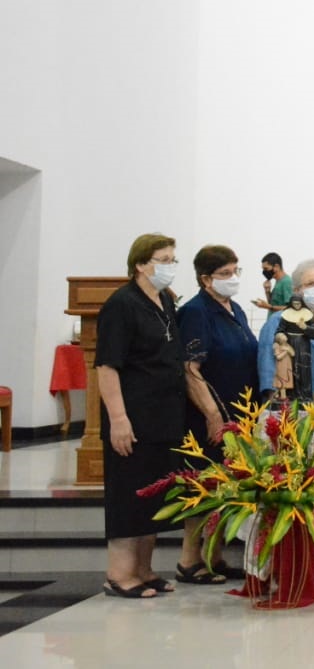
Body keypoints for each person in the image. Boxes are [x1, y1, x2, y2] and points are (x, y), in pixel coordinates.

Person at [95, 233, 186, 598]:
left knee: (154, 495)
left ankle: (144, 570)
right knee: (129, 494)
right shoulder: (122, 304)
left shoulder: (163, 299)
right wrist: (118, 418)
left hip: (163, 418)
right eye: (164, 259)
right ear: (141, 264)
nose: (170, 266)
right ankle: (119, 574)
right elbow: (107, 366)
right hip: (132, 417)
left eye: (172, 259)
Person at [176, 244, 260, 584]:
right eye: (225, 274)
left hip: (238, 413)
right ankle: (189, 560)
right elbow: (190, 368)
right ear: (205, 278)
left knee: (227, 486)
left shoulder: (235, 308)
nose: (232, 278)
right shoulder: (196, 312)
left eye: (235, 271)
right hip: (208, 416)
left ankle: (214, 556)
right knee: (205, 486)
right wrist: (212, 414)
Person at [256, 258, 314, 416]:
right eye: (310, 284)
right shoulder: (279, 321)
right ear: (296, 291)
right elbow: (269, 373)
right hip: (298, 416)